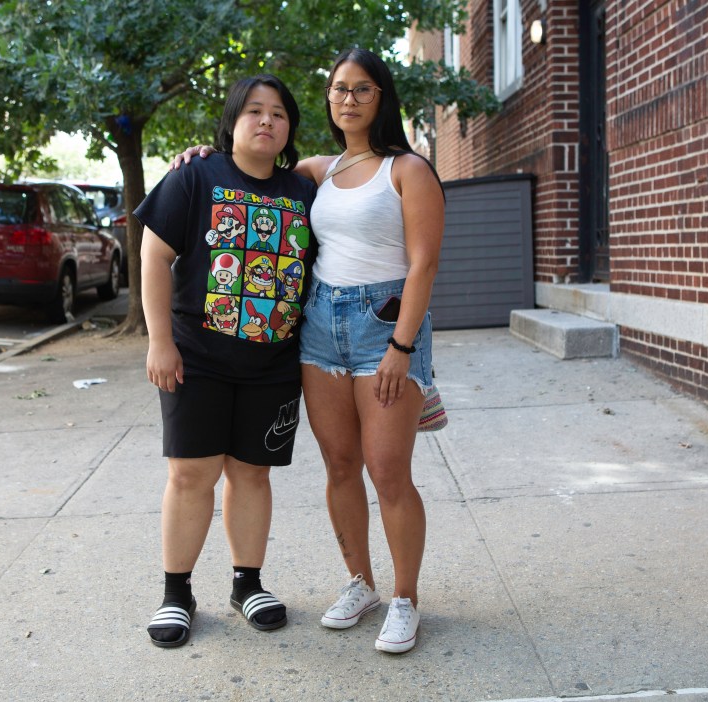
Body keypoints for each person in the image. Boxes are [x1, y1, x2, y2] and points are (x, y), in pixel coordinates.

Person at [173, 48, 444, 654]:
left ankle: (405, 598)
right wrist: (201, 157)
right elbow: (249, 164)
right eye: (339, 89)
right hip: (319, 327)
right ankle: (362, 584)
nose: (349, 99)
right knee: (341, 467)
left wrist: (402, 346)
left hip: (384, 326)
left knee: (388, 472)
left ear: (383, 96)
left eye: (363, 89)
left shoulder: (407, 169)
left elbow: (424, 263)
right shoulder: (319, 171)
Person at [134, 74, 317, 649]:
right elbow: (153, 255)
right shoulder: (195, 175)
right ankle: (176, 592)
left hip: (274, 363)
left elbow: (353, 164)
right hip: (197, 359)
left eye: (279, 113)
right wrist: (158, 341)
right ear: (232, 122)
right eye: (254, 111)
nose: (266, 120)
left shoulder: (305, 190)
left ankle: (248, 583)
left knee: (252, 474)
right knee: (191, 475)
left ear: (289, 129)